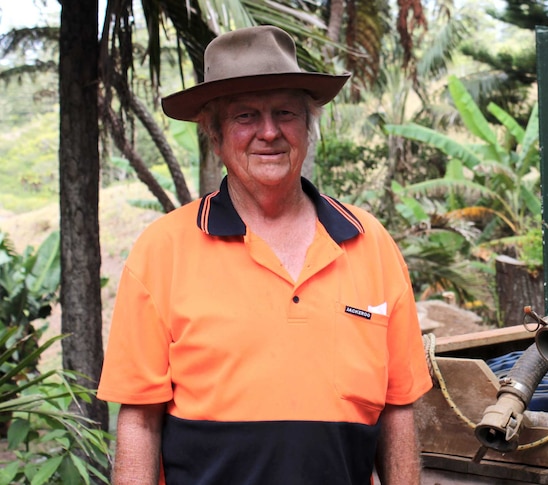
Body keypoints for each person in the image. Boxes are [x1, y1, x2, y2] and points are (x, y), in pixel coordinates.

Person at [97, 25, 433, 485]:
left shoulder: (368, 243)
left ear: (308, 128)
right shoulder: (163, 250)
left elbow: (397, 410)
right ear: (214, 136)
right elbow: (139, 419)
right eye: (245, 116)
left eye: (285, 113)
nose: (269, 132)